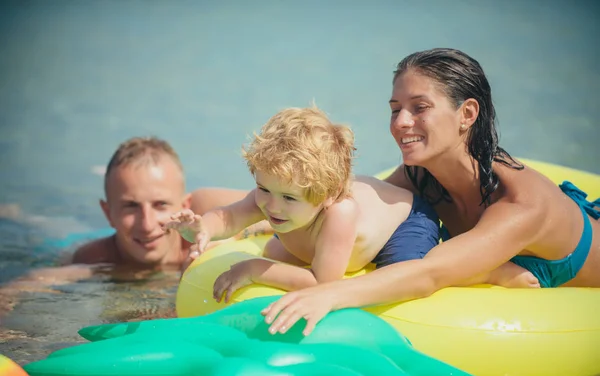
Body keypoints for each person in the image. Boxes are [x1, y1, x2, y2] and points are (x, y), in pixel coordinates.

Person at [260, 48, 600, 336]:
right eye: (395, 109)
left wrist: (329, 294)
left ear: (467, 114)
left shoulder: (521, 203)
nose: (400, 122)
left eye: (419, 108)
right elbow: (353, 205)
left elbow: (427, 273)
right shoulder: (421, 173)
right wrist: (268, 219)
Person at [166, 106, 440, 302]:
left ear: (327, 196)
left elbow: (323, 284)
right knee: (275, 249)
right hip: (320, 225)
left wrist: (253, 269)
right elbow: (229, 218)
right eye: (264, 188)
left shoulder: (340, 212)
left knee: (396, 279)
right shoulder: (275, 193)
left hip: (406, 221)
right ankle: (261, 230)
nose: (272, 206)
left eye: (288, 197)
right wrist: (203, 229)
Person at [70, 136, 271, 270]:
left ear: (185, 205)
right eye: (131, 207)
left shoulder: (212, 210)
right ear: (108, 213)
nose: (147, 225)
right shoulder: (95, 261)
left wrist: (228, 241)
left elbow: (292, 212)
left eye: (160, 205)